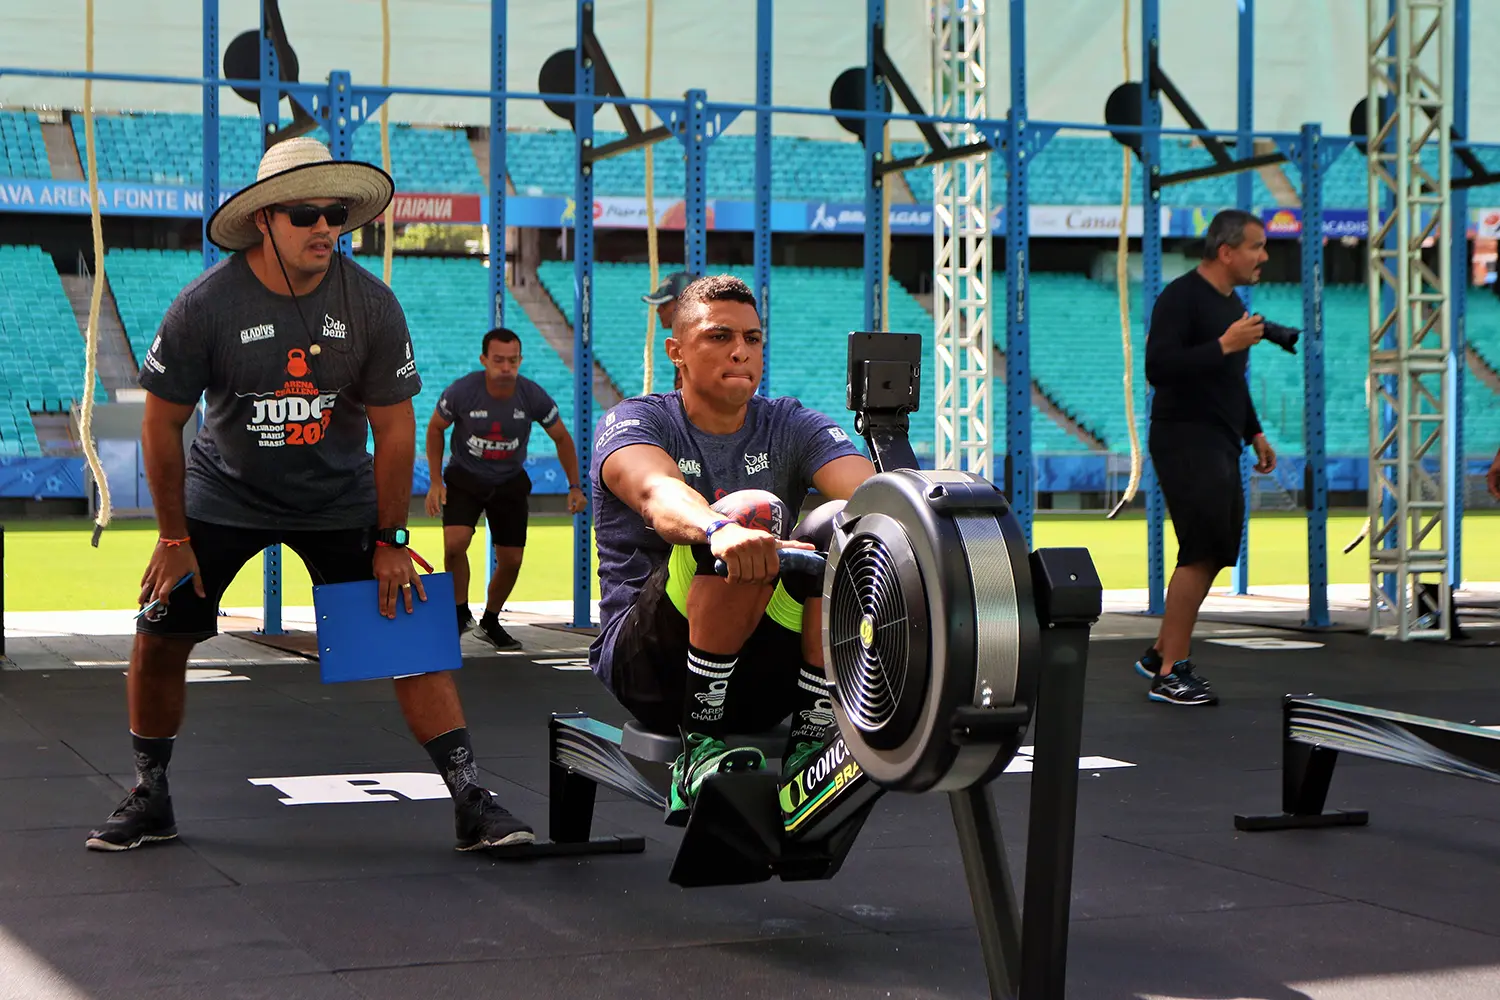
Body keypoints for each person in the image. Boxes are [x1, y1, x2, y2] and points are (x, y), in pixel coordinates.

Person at [87, 137, 533, 853]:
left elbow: (394, 431)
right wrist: (173, 541)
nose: (325, 227)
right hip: (225, 494)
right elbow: (161, 423)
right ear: (264, 219)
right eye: (305, 214)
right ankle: (151, 793)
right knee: (160, 630)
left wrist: (390, 542)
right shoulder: (206, 305)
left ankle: (470, 798)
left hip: (338, 500)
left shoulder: (371, 305)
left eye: (335, 214)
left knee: (409, 634)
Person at [590, 274, 875, 822]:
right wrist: (719, 529)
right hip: (655, 672)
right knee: (743, 513)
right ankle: (699, 745)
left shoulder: (789, 423)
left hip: (766, 680)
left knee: (842, 522)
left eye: (752, 338)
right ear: (676, 351)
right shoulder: (637, 420)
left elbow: (867, 493)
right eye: (719, 337)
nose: (741, 351)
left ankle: (815, 732)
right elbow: (655, 493)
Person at [1136, 208, 1277, 706]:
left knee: (1217, 549)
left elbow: (1230, 379)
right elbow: (1158, 368)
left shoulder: (1233, 302)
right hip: (1184, 437)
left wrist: (1254, 430)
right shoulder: (1181, 297)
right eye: (1257, 247)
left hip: (1221, 438)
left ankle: (1160, 653)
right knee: (1199, 549)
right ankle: (1171, 672)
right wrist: (1223, 343)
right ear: (1226, 251)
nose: (1264, 256)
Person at [424, 327, 586, 648]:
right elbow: (435, 428)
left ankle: (490, 620)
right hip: (465, 477)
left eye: (513, 361)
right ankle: (458, 613)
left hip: (509, 480)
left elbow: (562, 438)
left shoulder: (532, 395)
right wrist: (434, 481)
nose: (506, 368)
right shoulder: (462, 391)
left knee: (511, 560)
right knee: (455, 543)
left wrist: (575, 486)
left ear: (520, 360)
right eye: (498, 360)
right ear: (484, 359)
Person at [644, 270, 692, 390]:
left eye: (664, 304)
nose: (658, 310)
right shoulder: (683, 343)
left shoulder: (701, 346)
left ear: (683, 304)